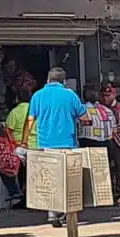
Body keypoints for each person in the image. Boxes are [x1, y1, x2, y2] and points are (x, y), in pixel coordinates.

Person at [27, 67, 86, 227]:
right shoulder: (70, 95)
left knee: (50, 180)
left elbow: (30, 120)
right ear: (64, 81)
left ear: (47, 80)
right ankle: (67, 212)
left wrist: (24, 142)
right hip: (68, 144)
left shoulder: (37, 96)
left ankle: (52, 213)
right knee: (69, 179)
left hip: (46, 145)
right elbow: (85, 117)